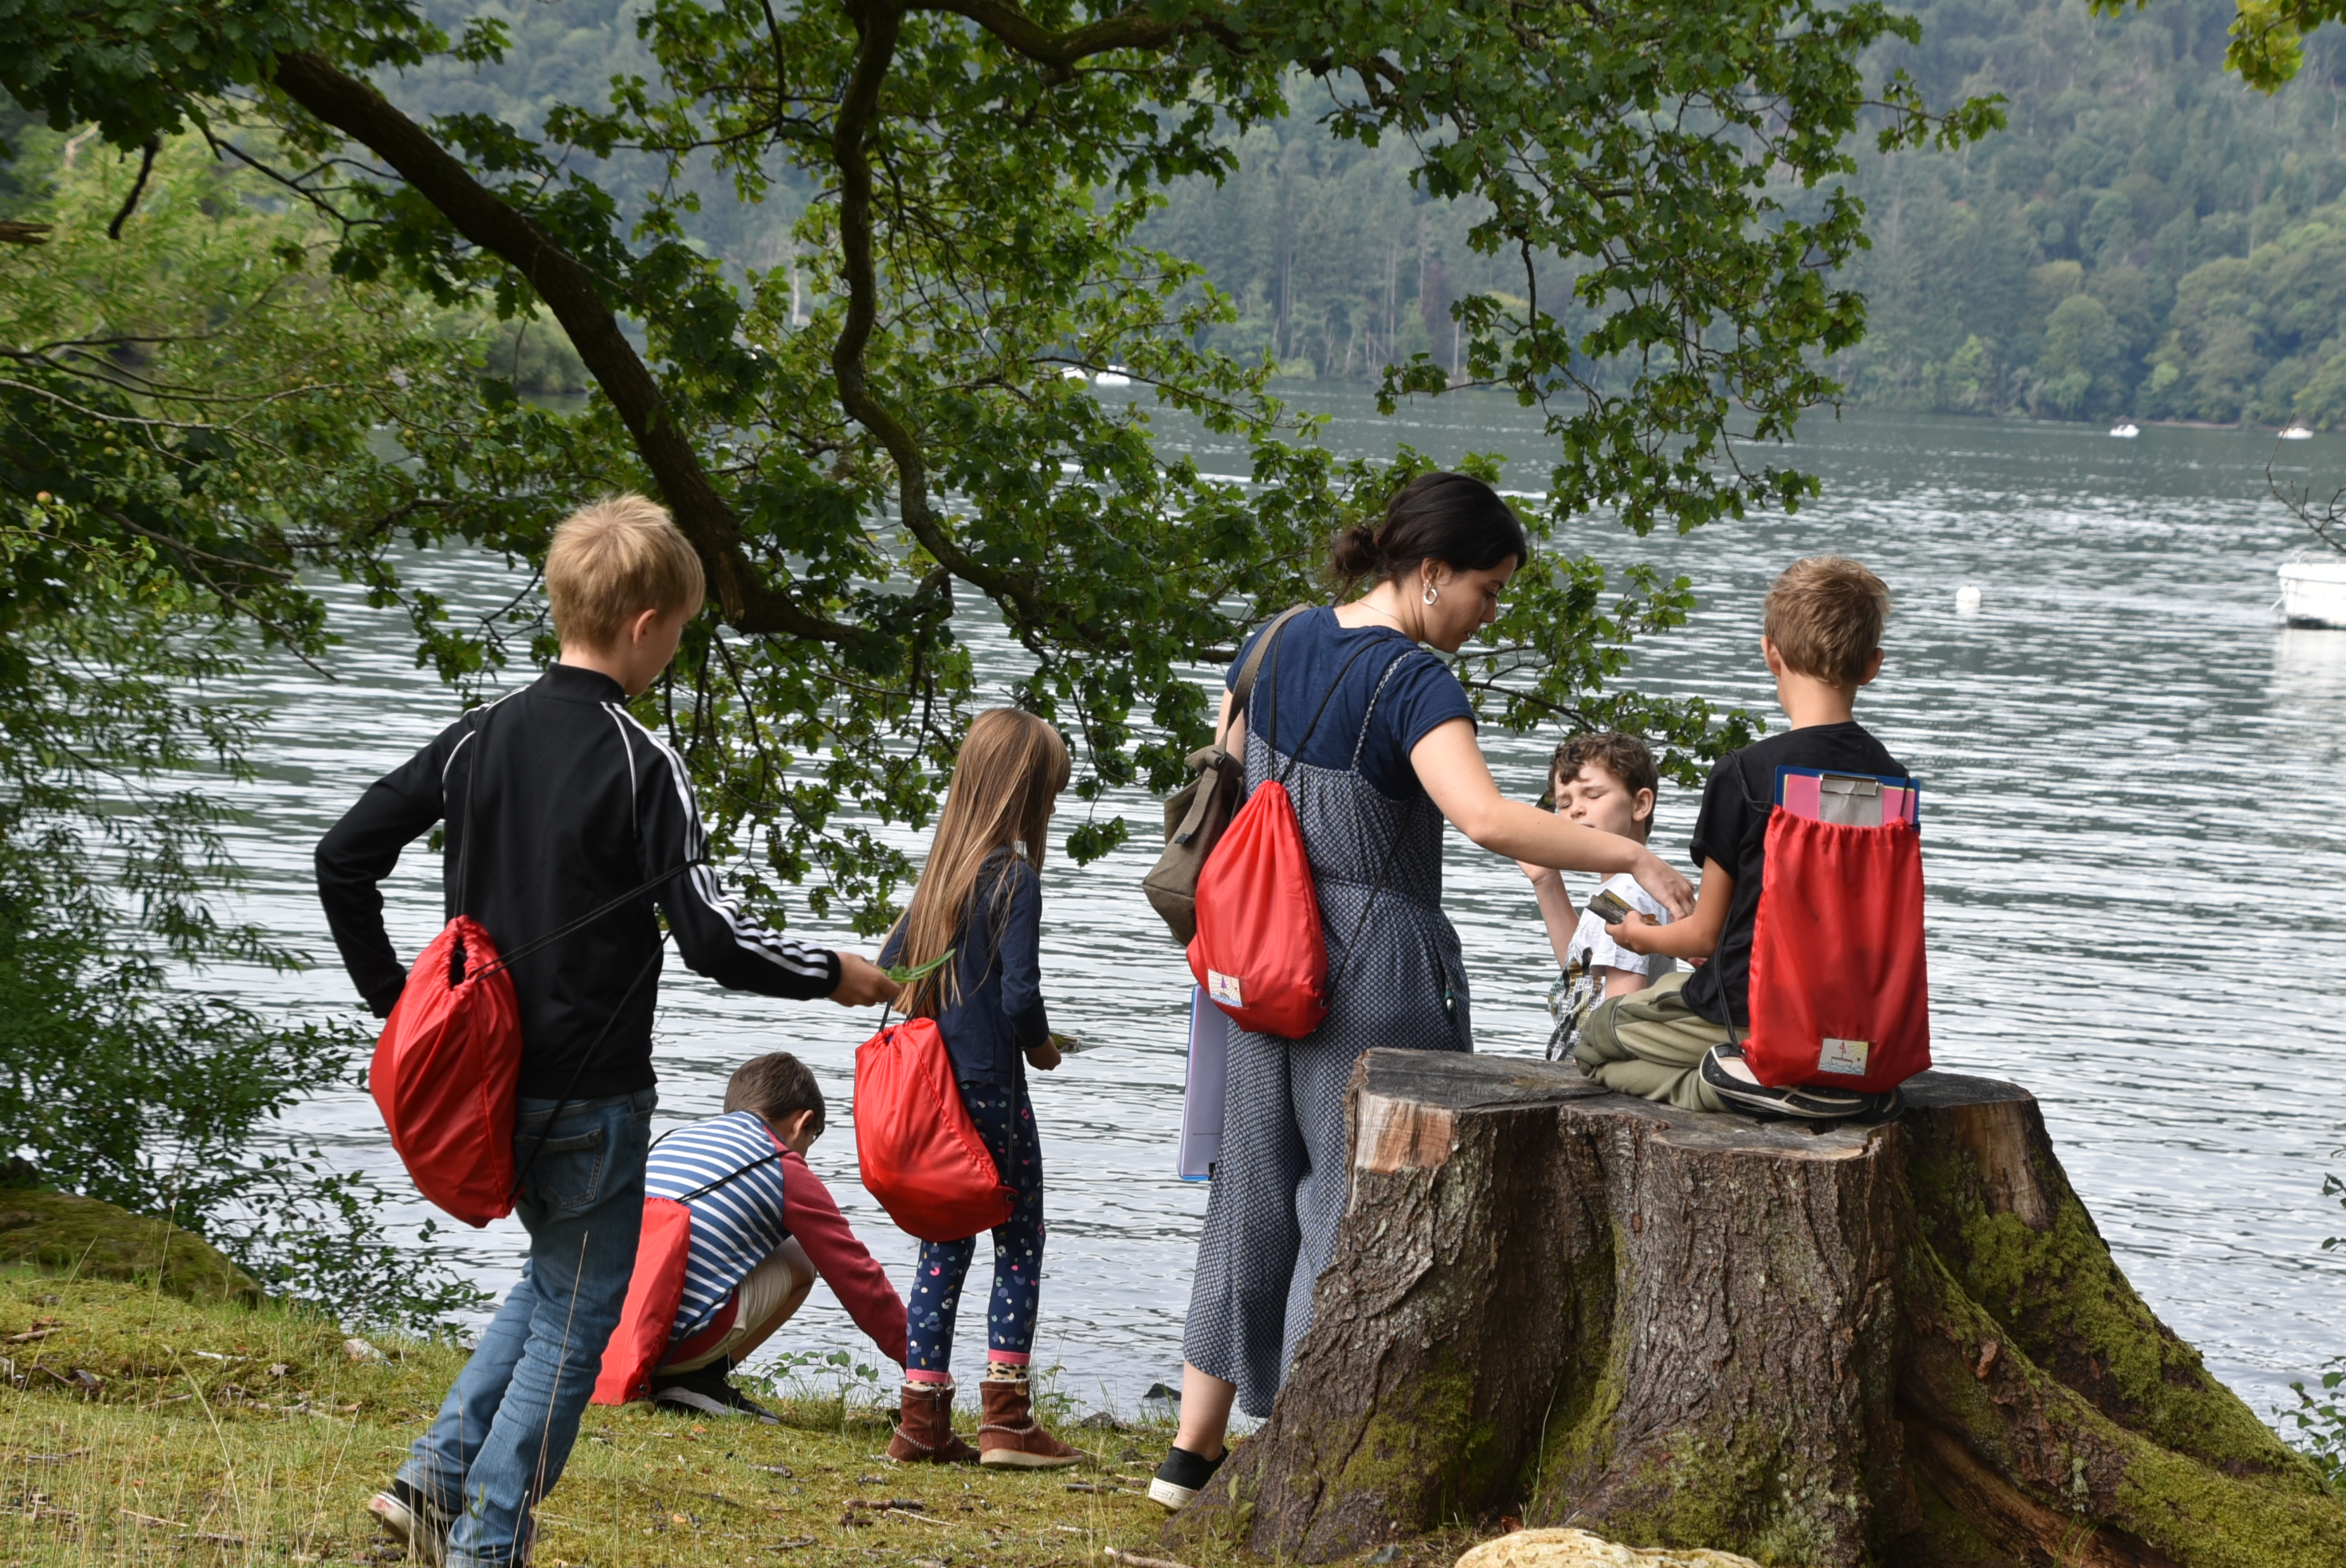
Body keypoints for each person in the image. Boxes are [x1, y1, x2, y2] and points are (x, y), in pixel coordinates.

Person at [314, 495, 896, 1566]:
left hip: (480, 1086)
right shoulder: (642, 763)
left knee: (553, 1284)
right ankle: (488, 1540)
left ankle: (429, 1485)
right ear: (641, 623)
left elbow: (342, 858)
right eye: (678, 628)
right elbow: (715, 940)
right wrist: (834, 973)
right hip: (589, 1098)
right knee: (577, 1326)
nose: (676, 648)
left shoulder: (477, 737)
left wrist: (398, 1004)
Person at [1151, 472, 1697, 1512]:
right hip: (1370, 957)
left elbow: (1223, 768)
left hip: (1254, 950)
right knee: (1360, 1209)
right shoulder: (1412, 682)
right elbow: (1484, 817)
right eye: (1487, 590)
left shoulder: (1273, 640)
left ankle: (1189, 1457)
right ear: (1430, 570)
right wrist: (1628, 854)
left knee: (1252, 1190)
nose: (1488, 616)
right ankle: (1315, 1449)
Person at [1581, 555, 1907, 1120]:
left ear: (1770, 654)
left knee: (1598, 1038)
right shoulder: (1894, 784)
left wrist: (1641, 937)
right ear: (1872, 665)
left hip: (1755, 1014)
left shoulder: (1746, 774)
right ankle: (1824, 1075)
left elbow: (1704, 935)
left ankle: (1731, 1083)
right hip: (1858, 1029)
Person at [874, 708, 1081, 1470]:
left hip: (937, 1098)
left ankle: (920, 1421)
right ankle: (1008, 1421)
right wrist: (1044, 1049)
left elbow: (892, 973)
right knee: (1019, 1239)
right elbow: (1022, 997)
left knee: (942, 1248)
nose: (1051, 808)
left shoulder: (939, 878)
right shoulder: (1013, 878)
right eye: (1048, 794)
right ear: (1025, 796)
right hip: (994, 1092)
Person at [635, 1053, 907, 1421]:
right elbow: (858, 1277)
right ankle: (698, 1380)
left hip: (618, 1333)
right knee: (801, 1258)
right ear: (803, 1123)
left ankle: (672, 1371)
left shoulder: (673, 1140)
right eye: (810, 1141)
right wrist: (921, 1361)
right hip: (669, 1347)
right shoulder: (780, 1164)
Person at [1520, 732, 1677, 1064]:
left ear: (1639, 804)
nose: (1575, 810)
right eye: (1564, 803)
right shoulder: (1617, 889)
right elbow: (1584, 969)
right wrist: (1545, 879)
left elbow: (1620, 1017)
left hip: (1599, 1080)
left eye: (1592, 795)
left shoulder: (1626, 895)